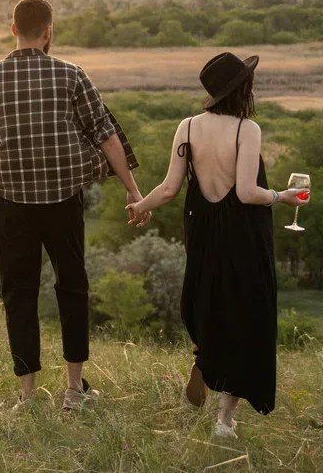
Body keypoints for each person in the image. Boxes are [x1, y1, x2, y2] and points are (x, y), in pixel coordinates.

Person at [0, 0, 143, 410]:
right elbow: (106, 135)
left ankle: (27, 394)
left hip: (12, 205)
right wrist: (133, 190)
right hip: (64, 201)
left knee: (19, 293)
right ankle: (73, 390)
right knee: (72, 287)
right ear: (48, 31)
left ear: (13, 29)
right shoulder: (72, 75)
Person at [126, 52, 307, 438]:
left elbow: (171, 188)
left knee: (209, 299)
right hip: (243, 235)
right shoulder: (247, 129)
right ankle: (225, 419)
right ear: (242, 88)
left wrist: (141, 205)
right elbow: (246, 192)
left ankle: (206, 358)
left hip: (204, 234)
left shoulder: (188, 127)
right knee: (247, 313)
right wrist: (282, 196)